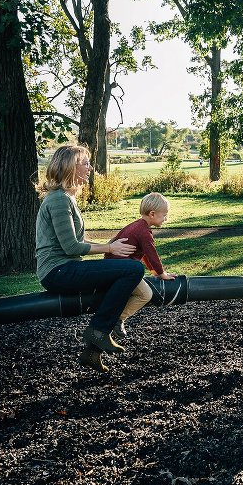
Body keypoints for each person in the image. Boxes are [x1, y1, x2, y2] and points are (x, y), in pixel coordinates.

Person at [35, 145, 145, 373]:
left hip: (66, 268)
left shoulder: (66, 198)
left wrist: (110, 247)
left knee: (119, 280)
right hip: (58, 272)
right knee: (133, 270)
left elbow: (77, 241)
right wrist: (110, 247)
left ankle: (92, 352)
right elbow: (71, 247)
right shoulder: (58, 200)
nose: (90, 167)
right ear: (70, 167)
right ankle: (98, 331)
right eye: (84, 163)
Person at [105, 192, 176, 339]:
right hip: (121, 270)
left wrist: (154, 272)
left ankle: (115, 317)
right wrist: (162, 273)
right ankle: (118, 319)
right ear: (152, 214)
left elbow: (144, 254)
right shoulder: (143, 232)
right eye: (164, 215)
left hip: (115, 266)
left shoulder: (137, 226)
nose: (166, 219)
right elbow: (151, 254)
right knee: (145, 294)